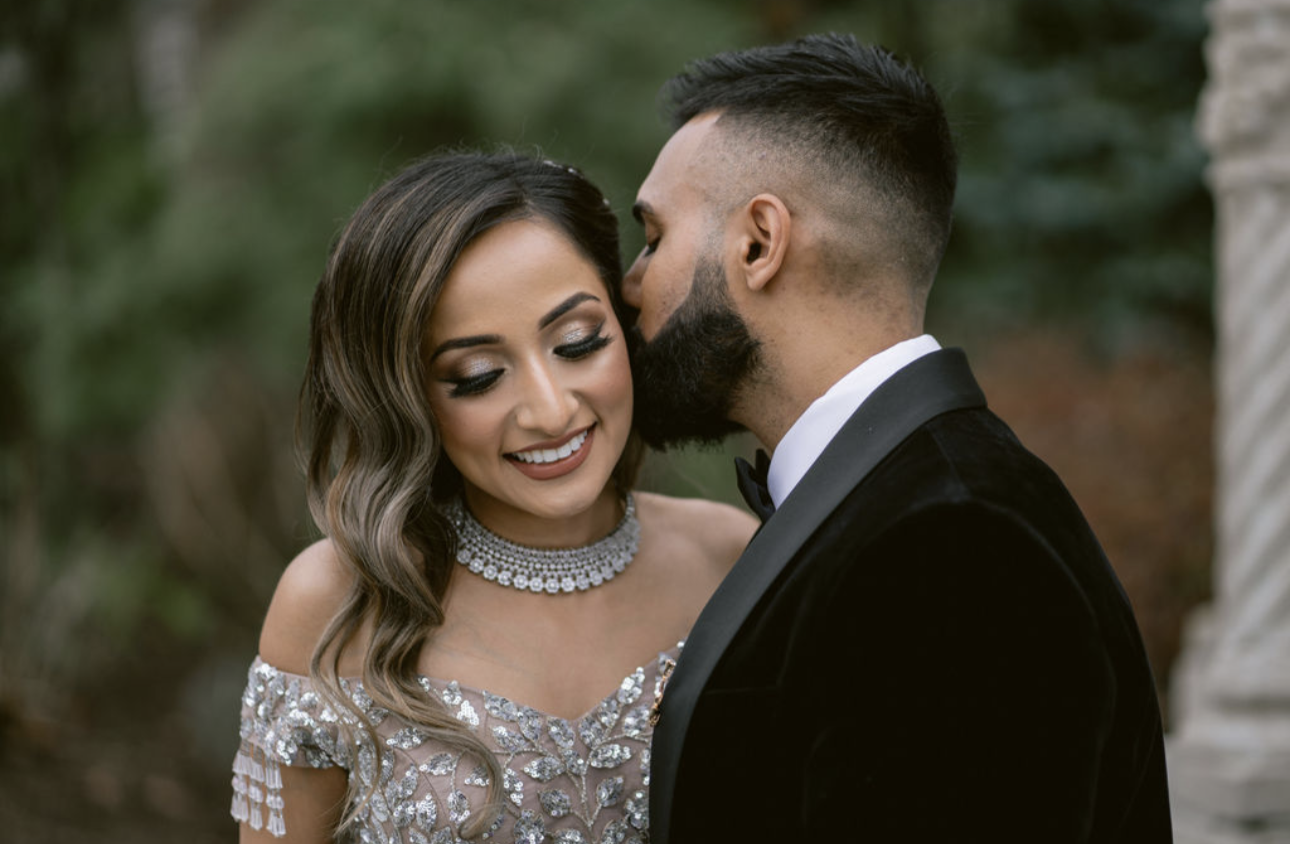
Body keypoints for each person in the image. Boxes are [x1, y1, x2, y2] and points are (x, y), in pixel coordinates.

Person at [624, 34, 1173, 842]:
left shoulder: (954, 545)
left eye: (653, 237)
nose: (630, 283)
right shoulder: (908, 502)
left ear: (758, 243)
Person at [229, 152, 755, 843]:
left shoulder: (732, 561)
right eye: (478, 376)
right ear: (408, 397)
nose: (550, 410)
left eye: (578, 343)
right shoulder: (337, 605)